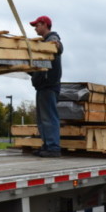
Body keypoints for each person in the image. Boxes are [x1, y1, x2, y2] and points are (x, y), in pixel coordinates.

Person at [29, 15, 63, 157]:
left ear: (44, 25)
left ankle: (53, 147)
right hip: (42, 86)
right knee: (43, 119)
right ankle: (47, 145)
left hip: (49, 85)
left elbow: (58, 47)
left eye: (37, 25)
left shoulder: (52, 39)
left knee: (49, 117)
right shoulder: (41, 44)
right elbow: (40, 66)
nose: (35, 28)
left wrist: (56, 45)